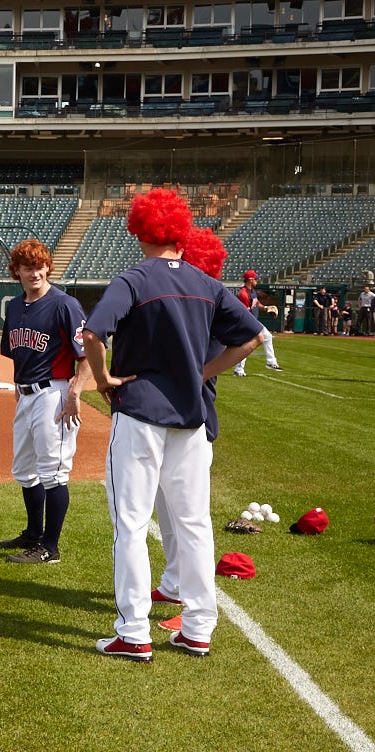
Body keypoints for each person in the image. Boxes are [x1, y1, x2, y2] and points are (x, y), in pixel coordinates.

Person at [83, 188, 263, 661]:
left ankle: (134, 631)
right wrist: (202, 373)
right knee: (194, 523)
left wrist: (102, 378)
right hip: (191, 418)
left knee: (132, 523)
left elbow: (92, 332)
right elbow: (250, 339)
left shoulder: (134, 278)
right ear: (181, 231)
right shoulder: (208, 284)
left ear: (140, 230)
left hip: (140, 412)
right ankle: (199, 627)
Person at [0, 239, 90, 565]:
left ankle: (50, 548)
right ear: (17, 272)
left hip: (54, 394)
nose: (34, 272)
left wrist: (75, 392)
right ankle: (33, 533)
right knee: (24, 469)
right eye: (27, 267)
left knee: (53, 471)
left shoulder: (64, 305)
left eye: (39, 266)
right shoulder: (15, 306)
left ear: (48, 267)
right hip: (26, 394)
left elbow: (87, 354)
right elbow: (16, 353)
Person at [152, 226, 228, 615]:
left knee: (188, 519)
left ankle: (190, 606)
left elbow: (239, 341)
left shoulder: (207, 307)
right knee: (166, 512)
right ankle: (173, 582)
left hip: (194, 423)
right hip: (166, 420)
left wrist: (199, 371)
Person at [232, 269, 282, 376]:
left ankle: (270, 362)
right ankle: (239, 369)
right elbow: (245, 311)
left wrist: (266, 308)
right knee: (247, 344)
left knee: (266, 337)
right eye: (255, 278)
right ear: (250, 280)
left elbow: (256, 302)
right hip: (247, 322)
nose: (257, 280)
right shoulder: (243, 293)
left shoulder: (252, 291)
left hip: (252, 321)